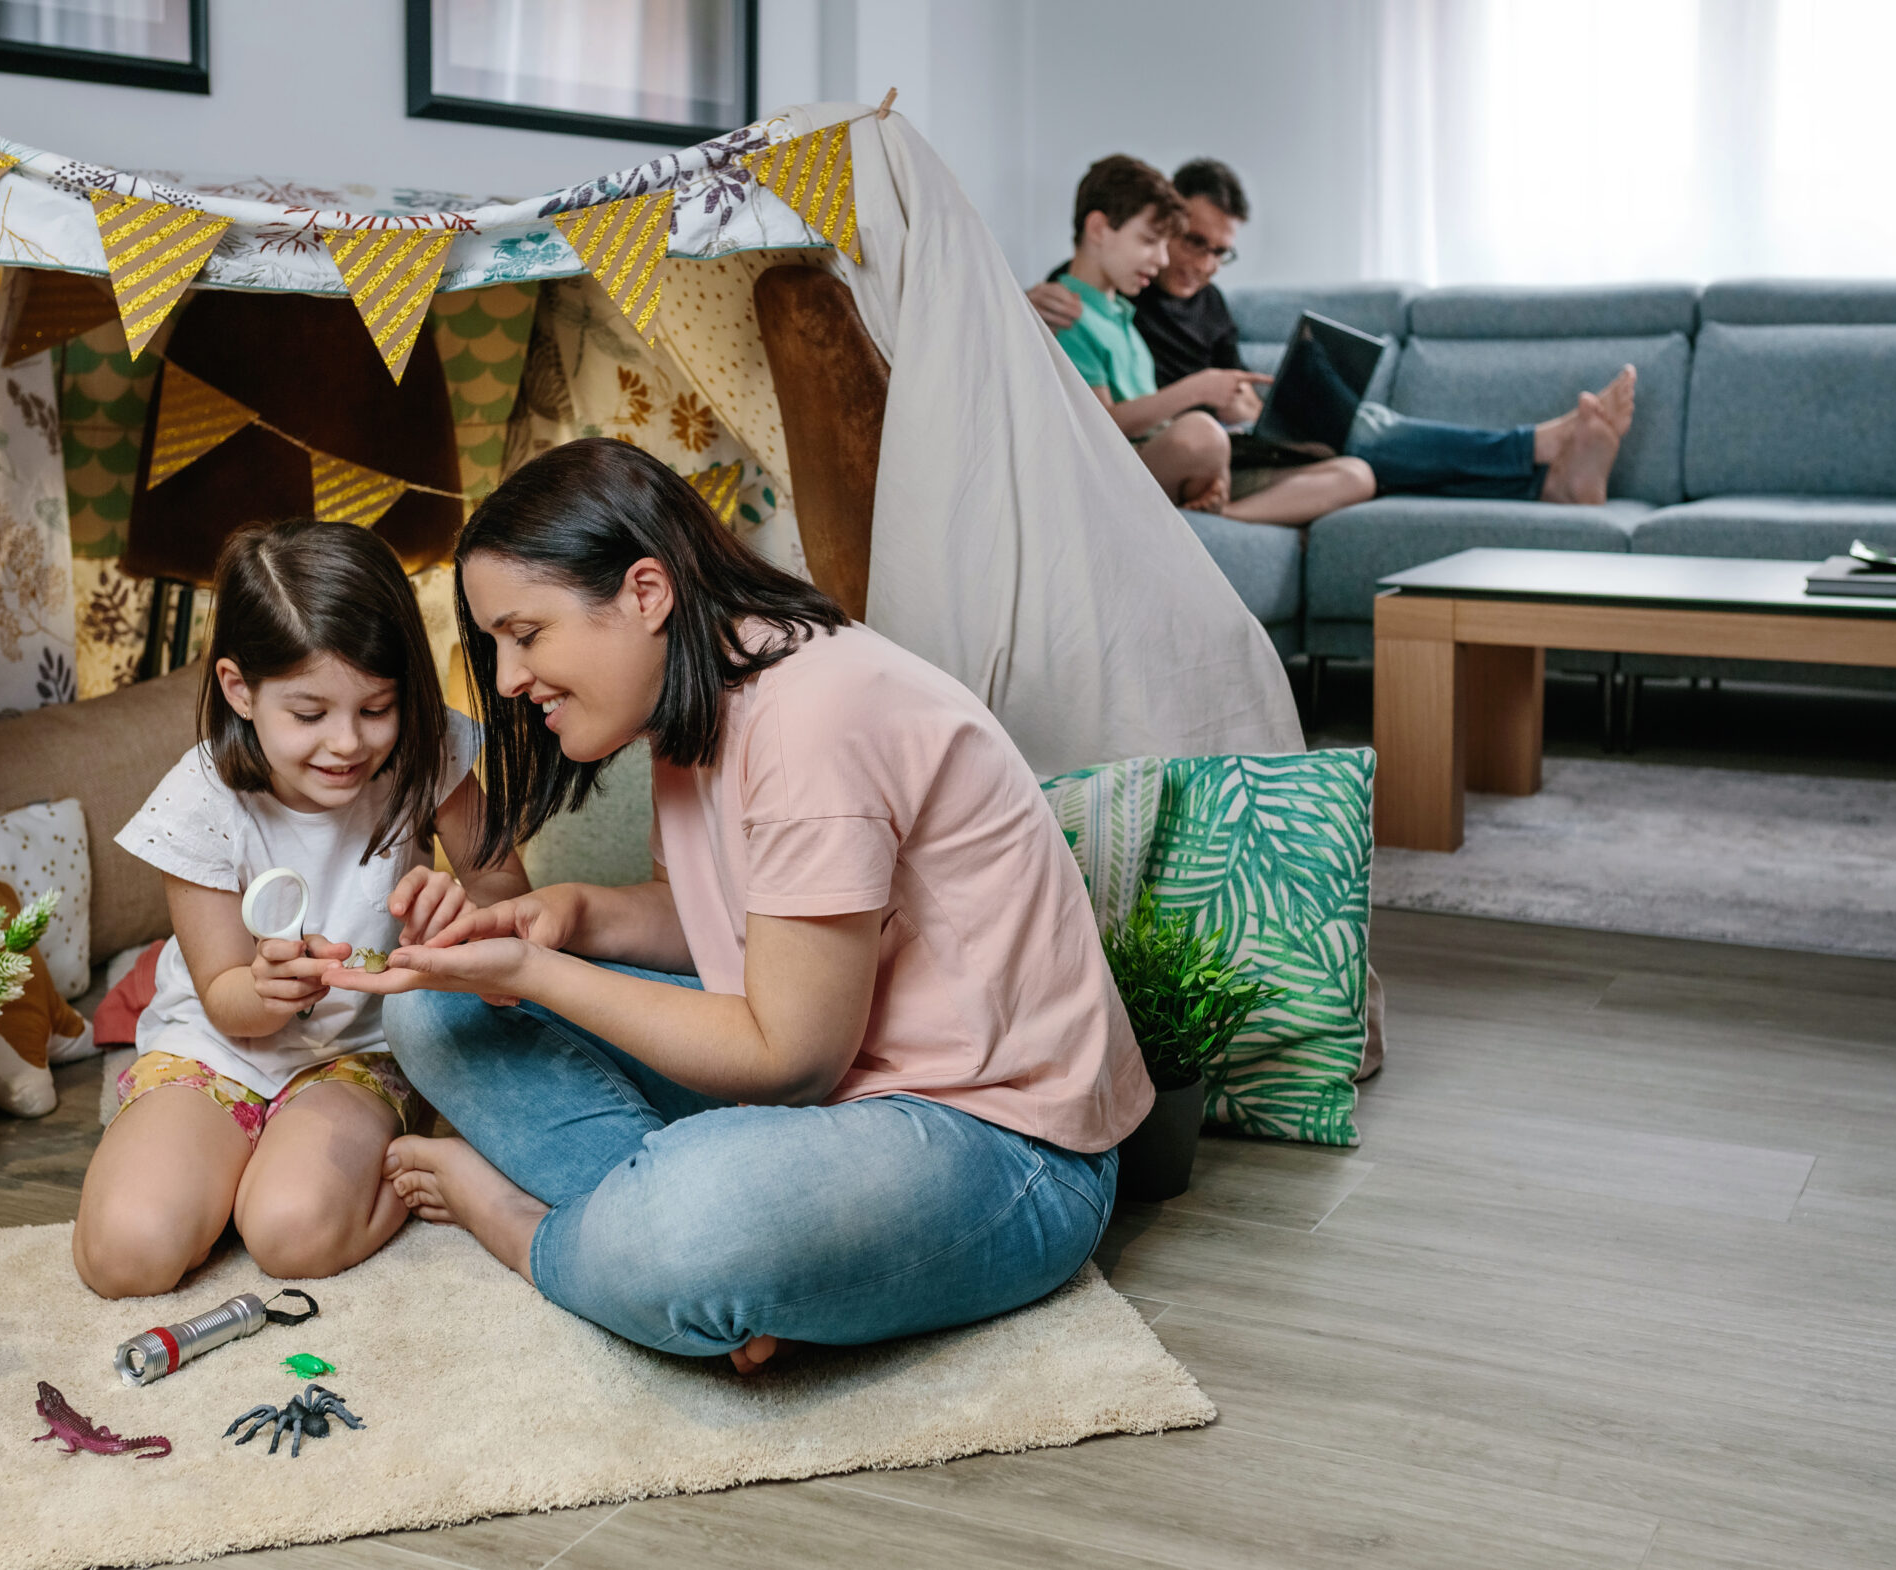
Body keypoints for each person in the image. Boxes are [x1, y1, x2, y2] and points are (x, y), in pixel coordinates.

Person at [325, 438, 1149, 1373]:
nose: (509, 679)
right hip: (835, 1101)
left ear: (645, 592)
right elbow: (722, 924)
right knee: (435, 1008)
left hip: (1004, 1148)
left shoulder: (813, 716)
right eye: (498, 645)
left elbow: (789, 1057)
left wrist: (539, 973)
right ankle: (724, 1267)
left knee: (693, 1221)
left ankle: (543, 1235)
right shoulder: (699, 696)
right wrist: (564, 917)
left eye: (526, 634)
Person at [72, 520, 530, 1298]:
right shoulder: (200, 799)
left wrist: (458, 912)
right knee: (128, 1255)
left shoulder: (424, 757)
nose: (348, 744)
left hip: (357, 1053)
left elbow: (515, 913)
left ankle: (419, 1158)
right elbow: (226, 997)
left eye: (377, 707)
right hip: (220, 1044)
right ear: (239, 689)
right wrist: (268, 988)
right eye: (310, 715)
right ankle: (225, 1170)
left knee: (290, 1235)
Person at [1032, 157, 1637, 508]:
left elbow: (1235, 386)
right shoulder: (1098, 299)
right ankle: (1536, 454)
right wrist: (1025, 300)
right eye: (1186, 242)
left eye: (1220, 252)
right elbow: (1052, 326)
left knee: (1352, 434)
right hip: (1184, 443)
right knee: (1365, 428)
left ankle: (1547, 479)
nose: (1188, 263)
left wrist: (1243, 399)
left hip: (1235, 431)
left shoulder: (1201, 302)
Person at [1051, 154, 1374, 525]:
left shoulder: (1122, 312)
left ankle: (1226, 511)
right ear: (1099, 229)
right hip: (1142, 459)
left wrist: (1241, 413)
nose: (1161, 259)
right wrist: (1196, 392)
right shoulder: (1068, 310)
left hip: (1210, 445)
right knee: (1202, 433)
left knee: (1356, 470)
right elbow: (1100, 426)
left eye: (1219, 252)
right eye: (1153, 241)